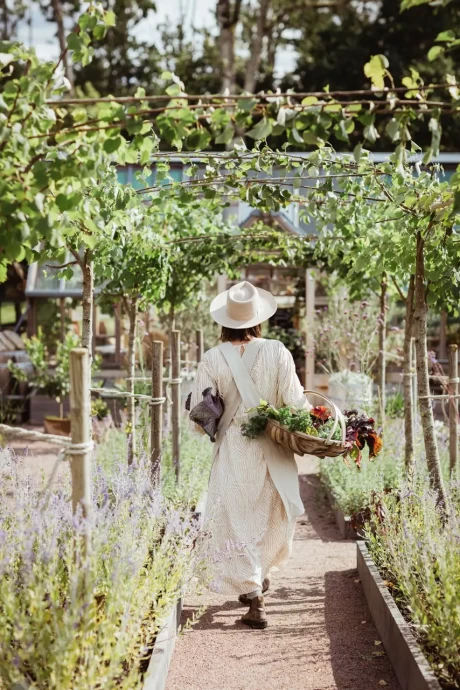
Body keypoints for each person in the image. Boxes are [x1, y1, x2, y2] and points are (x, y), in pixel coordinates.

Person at [189, 280, 308, 630]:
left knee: (236, 519)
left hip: (233, 448)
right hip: (271, 445)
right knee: (269, 516)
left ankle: (253, 587)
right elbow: (296, 404)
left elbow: (200, 415)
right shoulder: (278, 351)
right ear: (259, 318)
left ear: (225, 319)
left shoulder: (212, 358)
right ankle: (256, 588)